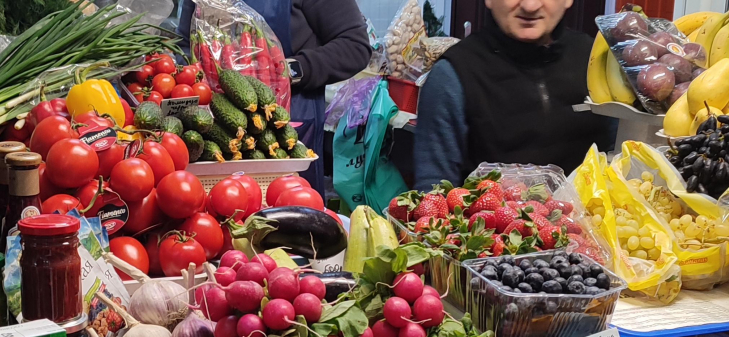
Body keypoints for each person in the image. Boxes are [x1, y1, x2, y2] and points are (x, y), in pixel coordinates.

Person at [177, 0, 373, 199]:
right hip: (214, 130)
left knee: (291, 214)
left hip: (285, 126)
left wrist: (289, 70)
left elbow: (354, 45)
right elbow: (184, 46)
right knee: (216, 211)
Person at [413, 0, 617, 190]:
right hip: (490, 226)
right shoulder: (451, 76)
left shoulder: (597, 62)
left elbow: (620, 160)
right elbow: (433, 196)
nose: (530, 6)